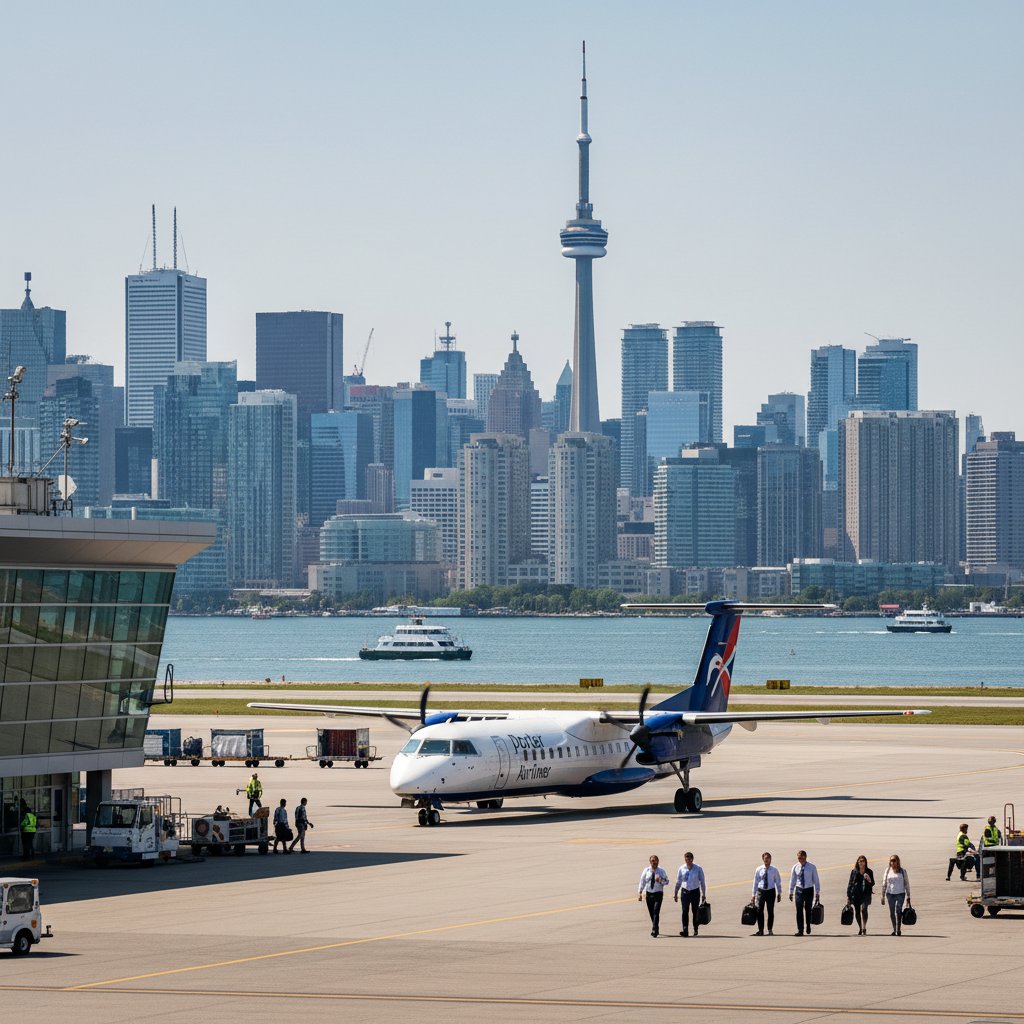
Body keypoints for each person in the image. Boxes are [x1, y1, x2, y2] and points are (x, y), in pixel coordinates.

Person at [672, 851, 707, 936]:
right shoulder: (681, 868)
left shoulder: (698, 868)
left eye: (689, 860)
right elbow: (678, 881)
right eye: (686, 860)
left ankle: (695, 928)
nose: (687, 861)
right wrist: (676, 893)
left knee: (695, 911)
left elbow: (702, 881)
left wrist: (704, 894)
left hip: (695, 892)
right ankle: (685, 930)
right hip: (685, 892)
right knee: (684, 911)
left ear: (692, 859)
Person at [788, 850, 821, 935]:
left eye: (802, 857)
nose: (800, 859)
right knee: (799, 911)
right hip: (799, 890)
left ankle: (808, 926)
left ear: (805, 857)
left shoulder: (812, 867)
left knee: (808, 909)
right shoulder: (795, 867)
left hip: (809, 890)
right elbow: (793, 880)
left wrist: (817, 893)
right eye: (799, 858)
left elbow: (816, 880)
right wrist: (791, 891)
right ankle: (800, 930)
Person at [749, 851, 782, 936]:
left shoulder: (774, 870)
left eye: (768, 858)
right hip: (761, 891)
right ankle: (760, 930)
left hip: (770, 892)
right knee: (760, 911)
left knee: (770, 911)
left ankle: (770, 929)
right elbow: (755, 882)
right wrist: (753, 895)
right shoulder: (759, 869)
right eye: (765, 858)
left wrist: (779, 893)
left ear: (771, 859)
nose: (766, 860)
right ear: (762, 859)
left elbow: (778, 882)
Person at [637, 855, 670, 938]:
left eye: (655, 861)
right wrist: (640, 892)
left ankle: (654, 929)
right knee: (652, 913)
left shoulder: (662, 871)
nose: (654, 862)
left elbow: (667, 882)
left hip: (658, 893)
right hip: (649, 894)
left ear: (658, 862)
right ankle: (656, 927)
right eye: (652, 861)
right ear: (650, 862)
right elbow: (642, 881)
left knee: (656, 911)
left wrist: (661, 880)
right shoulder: (646, 870)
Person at [881, 854, 911, 935]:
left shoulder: (902, 871)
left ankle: (898, 928)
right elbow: (884, 883)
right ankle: (894, 928)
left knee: (898, 910)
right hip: (890, 894)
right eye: (891, 860)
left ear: (898, 861)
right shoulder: (887, 870)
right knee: (892, 912)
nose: (892, 862)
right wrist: (883, 895)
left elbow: (906, 883)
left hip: (900, 893)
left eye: (894, 860)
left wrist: (908, 895)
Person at [847, 855, 875, 935]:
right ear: (858, 862)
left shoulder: (869, 871)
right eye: (860, 861)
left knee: (864, 910)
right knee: (857, 912)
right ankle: (860, 927)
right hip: (856, 894)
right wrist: (848, 896)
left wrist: (868, 879)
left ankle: (864, 927)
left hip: (866, 894)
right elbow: (850, 884)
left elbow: (872, 883)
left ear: (865, 862)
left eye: (863, 861)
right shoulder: (854, 871)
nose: (861, 862)